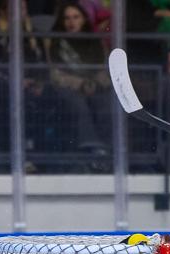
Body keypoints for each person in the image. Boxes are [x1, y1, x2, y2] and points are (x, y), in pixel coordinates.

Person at [46, 2, 110, 160]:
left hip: (95, 86)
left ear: (84, 19)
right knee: (79, 105)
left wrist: (94, 83)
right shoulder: (54, 42)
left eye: (76, 17)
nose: (71, 22)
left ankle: (109, 148)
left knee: (106, 103)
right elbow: (55, 73)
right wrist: (80, 83)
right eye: (67, 18)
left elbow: (105, 68)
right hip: (67, 87)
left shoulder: (96, 41)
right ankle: (91, 148)